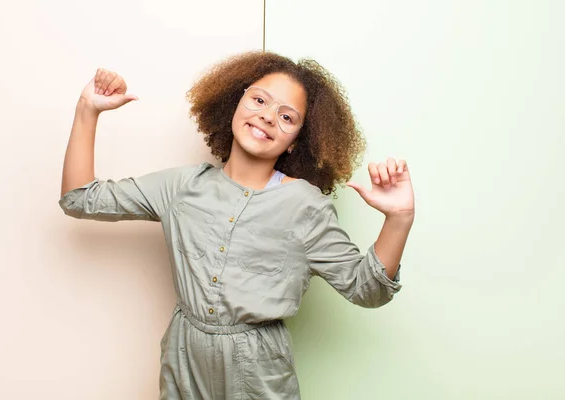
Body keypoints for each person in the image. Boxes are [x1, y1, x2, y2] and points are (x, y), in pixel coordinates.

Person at [59, 51, 414, 399]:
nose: (268, 117)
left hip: (259, 371)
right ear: (235, 101)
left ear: (296, 143)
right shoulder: (180, 187)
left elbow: (367, 289)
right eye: (259, 100)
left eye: (287, 117)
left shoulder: (306, 206)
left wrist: (398, 219)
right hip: (184, 361)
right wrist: (87, 110)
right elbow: (80, 198)